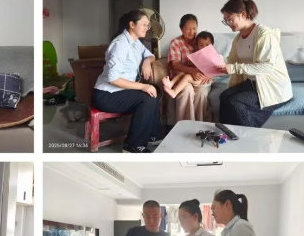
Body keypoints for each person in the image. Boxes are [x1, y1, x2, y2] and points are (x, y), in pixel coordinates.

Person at [216, 0, 293, 127]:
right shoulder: (238, 39)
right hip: (252, 84)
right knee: (224, 96)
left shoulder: (264, 34)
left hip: (272, 87)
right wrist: (216, 58)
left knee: (235, 102)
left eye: (230, 19)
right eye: (225, 20)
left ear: (243, 15)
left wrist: (235, 68)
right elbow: (232, 61)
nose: (228, 23)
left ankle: (251, 135)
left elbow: (267, 66)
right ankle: (226, 133)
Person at [92, 10, 160, 153]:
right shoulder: (120, 44)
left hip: (121, 91)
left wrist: (146, 62)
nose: (147, 28)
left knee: (155, 91)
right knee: (147, 98)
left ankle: (150, 135)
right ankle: (132, 146)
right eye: (144, 24)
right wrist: (142, 86)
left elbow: (151, 55)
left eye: (147, 25)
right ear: (132, 25)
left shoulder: (135, 42)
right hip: (106, 95)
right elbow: (113, 79)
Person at [167, 14, 212, 122]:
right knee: (186, 91)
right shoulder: (175, 43)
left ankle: (199, 125)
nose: (192, 32)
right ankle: (184, 126)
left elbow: (213, 62)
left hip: (199, 77)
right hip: (182, 77)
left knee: (201, 93)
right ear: (181, 29)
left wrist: (209, 74)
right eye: (188, 29)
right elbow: (175, 64)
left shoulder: (201, 42)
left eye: (194, 28)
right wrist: (192, 71)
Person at [163, 32, 216, 99]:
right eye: (201, 45)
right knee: (183, 72)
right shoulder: (198, 55)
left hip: (204, 80)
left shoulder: (213, 56)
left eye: (207, 45)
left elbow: (217, 69)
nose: (204, 47)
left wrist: (210, 76)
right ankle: (171, 83)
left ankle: (174, 92)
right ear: (197, 46)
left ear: (212, 45)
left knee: (187, 77)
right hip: (198, 75)